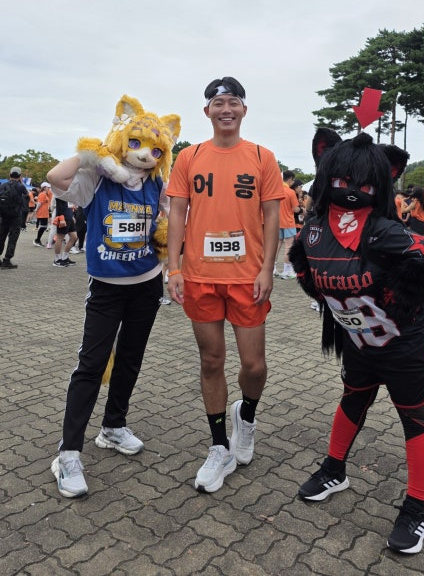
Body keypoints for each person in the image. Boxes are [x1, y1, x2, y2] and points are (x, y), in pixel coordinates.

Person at [290, 129, 424, 555]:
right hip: (358, 343)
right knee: (352, 398)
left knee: (415, 418)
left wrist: (396, 294)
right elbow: (303, 265)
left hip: (403, 345)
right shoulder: (314, 228)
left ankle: (416, 509)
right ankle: (334, 469)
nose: (352, 190)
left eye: (364, 183)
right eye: (343, 180)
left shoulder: (384, 230)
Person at [47, 94, 180, 498]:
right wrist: (94, 153)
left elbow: (177, 216)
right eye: (137, 144)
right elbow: (56, 177)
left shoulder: (157, 183)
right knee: (90, 364)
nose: (145, 154)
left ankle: (113, 426)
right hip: (106, 288)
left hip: (147, 283)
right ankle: (68, 453)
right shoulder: (98, 179)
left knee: (130, 359)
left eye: (155, 149)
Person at [166, 76, 283, 493]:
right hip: (200, 276)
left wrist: (267, 269)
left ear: (244, 110)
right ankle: (219, 448)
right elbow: (177, 213)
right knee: (211, 361)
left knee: (254, 365)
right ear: (207, 112)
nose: (226, 109)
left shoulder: (262, 157)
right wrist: (174, 268)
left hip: (247, 277)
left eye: (233, 102)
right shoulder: (189, 157)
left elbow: (272, 217)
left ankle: (245, 417)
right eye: (218, 104)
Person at [0, 167, 30, 269]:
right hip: (16, 216)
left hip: (3, 215)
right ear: (20, 176)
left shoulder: (3, 185)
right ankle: (7, 259)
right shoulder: (21, 187)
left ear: (10, 175)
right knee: (13, 237)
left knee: (1, 236)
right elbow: (27, 197)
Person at [275, 170, 299, 279]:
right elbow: (295, 209)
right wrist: (300, 210)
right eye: (293, 180)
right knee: (289, 246)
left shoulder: (276, 189)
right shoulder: (290, 192)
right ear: (289, 179)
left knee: (277, 246)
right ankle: (287, 271)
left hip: (277, 222)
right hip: (288, 222)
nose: (293, 182)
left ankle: (273, 269)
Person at [33, 183, 52, 247]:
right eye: (48, 187)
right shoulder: (42, 194)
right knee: (43, 226)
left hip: (44, 212)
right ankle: (37, 240)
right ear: (44, 187)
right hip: (42, 212)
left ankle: (38, 240)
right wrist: (36, 209)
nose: (49, 189)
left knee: (44, 226)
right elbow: (39, 203)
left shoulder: (44, 194)